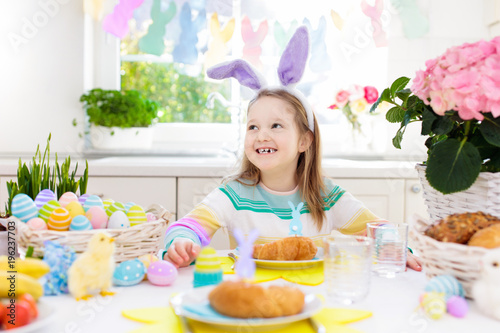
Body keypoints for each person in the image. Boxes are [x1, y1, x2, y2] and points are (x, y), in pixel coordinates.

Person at [159, 26, 423, 272]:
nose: (261, 135)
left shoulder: (326, 196)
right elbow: (188, 226)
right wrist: (181, 243)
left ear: (304, 141)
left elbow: (378, 229)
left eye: (276, 126)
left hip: (316, 296)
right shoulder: (234, 195)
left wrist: (393, 245)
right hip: (253, 293)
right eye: (253, 127)